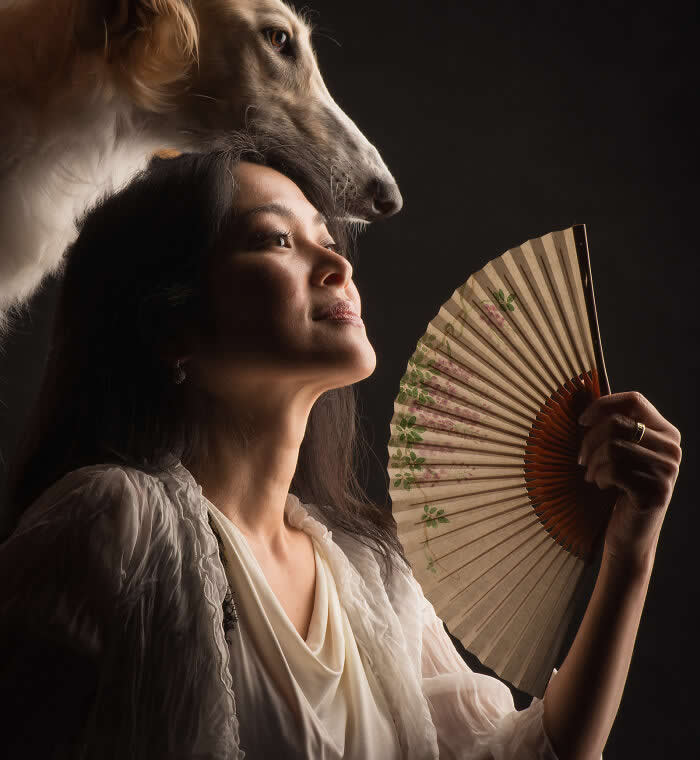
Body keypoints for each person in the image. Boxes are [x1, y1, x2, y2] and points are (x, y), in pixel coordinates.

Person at [0, 147, 681, 760]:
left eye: (328, 241)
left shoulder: (372, 575)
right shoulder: (117, 526)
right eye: (276, 240)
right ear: (174, 323)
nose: (336, 265)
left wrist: (630, 551)